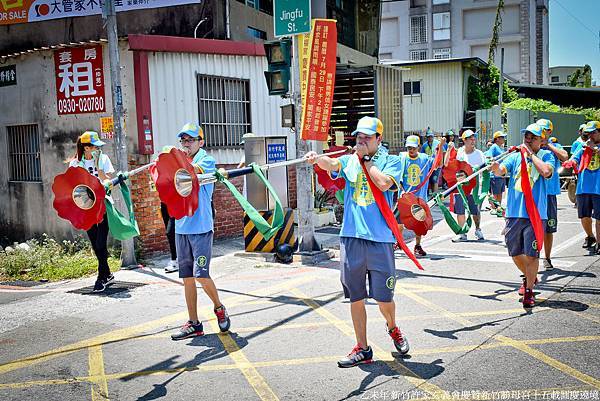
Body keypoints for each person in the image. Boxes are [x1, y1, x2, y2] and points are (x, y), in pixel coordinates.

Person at [305, 116, 409, 368]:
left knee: (384, 298)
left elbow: (384, 184)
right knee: (356, 296)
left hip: (380, 239)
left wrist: (365, 160)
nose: (360, 141)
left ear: (379, 139)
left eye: (366, 137)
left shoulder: (392, 161)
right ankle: (362, 348)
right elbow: (331, 164)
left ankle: (392, 327)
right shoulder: (350, 160)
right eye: (358, 137)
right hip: (351, 236)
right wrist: (317, 158)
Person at [170, 122, 231, 340]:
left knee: (201, 275)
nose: (186, 144)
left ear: (201, 142)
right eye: (183, 140)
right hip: (181, 226)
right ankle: (194, 323)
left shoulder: (206, 160)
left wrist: (175, 161)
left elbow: (192, 171)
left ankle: (219, 307)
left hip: (201, 228)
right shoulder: (178, 160)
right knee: (187, 277)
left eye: (191, 140)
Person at [491, 123, 554, 307]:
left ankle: (529, 291)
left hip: (535, 214)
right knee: (515, 253)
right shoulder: (515, 156)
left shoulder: (546, 155)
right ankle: (529, 277)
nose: (528, 139)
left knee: (532, 255)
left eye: (533, 137)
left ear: (541, 140)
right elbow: (501, 170)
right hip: (514, 213)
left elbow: (546, 171)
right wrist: (495, 167)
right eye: (526, 136)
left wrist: (531, 155)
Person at [69, 131, 115, 293]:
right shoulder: (75, 164)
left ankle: (100, 278)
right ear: (86, 148)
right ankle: (107, 273)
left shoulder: (103, 159)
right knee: (95, 243)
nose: (98, 149)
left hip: (103, 205)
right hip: (86, 207)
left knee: (101, 242)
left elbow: (109, 182)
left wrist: (98, 167)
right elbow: (73, 187)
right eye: (95, 147)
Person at [398, 135, 444, 257]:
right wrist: (402, 191)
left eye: (413, 147)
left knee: (418, 223)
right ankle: (398, 242)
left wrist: (441, 148)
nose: (410, 150)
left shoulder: (425, 159)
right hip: (405, 196)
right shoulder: (402, 158)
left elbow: (438, 164)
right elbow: (398, 178)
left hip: (419, 197)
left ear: (418, 147)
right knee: (400, 222)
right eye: (408, 148)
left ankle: (417, 245)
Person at [536, 119, 568, 270]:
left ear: (549, 132)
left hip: (549, 194)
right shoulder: (533, 148)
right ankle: (532, 258)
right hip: (534, 194)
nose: (541, 134)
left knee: (549, 228)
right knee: (532, 227)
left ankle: (547, 258)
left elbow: (565, 156)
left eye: (544, 131)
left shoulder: (554, 147)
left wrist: (548, 145)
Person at [446, 129, 486, 242]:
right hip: (461, 187)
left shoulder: (479, 154)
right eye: (470, 139)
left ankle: (478, 229)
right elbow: (452, 166)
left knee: (475, 211)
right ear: (464, 140)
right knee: (460, 210)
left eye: (474, 138)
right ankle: (462, 233)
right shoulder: (460, 153)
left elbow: (484, 170)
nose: (473, 141)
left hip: (474, 187)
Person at [567, 121, 600, 252]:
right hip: (583, 187)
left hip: (598, 188)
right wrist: (571, 162)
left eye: (593, 132)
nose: (590, 136)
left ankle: (599, 242)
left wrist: (594, 148)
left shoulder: (591, 146)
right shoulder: (582, 147)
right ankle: (590, 236)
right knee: (584, 216)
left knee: (599, 218)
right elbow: (574, 158)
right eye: (588, 133)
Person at [485, 131, 508, 216]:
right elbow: (489, 157)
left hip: (502, 174)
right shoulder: (494, 147)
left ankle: (499, 208)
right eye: (502, 137)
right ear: (497, 139)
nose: (504, 139)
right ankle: (494, 208)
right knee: (495, 193)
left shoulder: (501, 148)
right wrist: (493, 167)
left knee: (500, 192)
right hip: (495, 175)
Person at [421, 129, 441, 194]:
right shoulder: (424, 145)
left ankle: (435, 195)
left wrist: (441, 164)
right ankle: (429, 194)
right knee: (428, 180)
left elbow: (441, 153)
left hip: (436, 164)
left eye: (431, 136)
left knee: (435, 180)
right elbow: (422, 155)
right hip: (428, 165)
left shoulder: (437, 144)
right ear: (426, 137)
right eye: (429, 137)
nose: (430, 138)